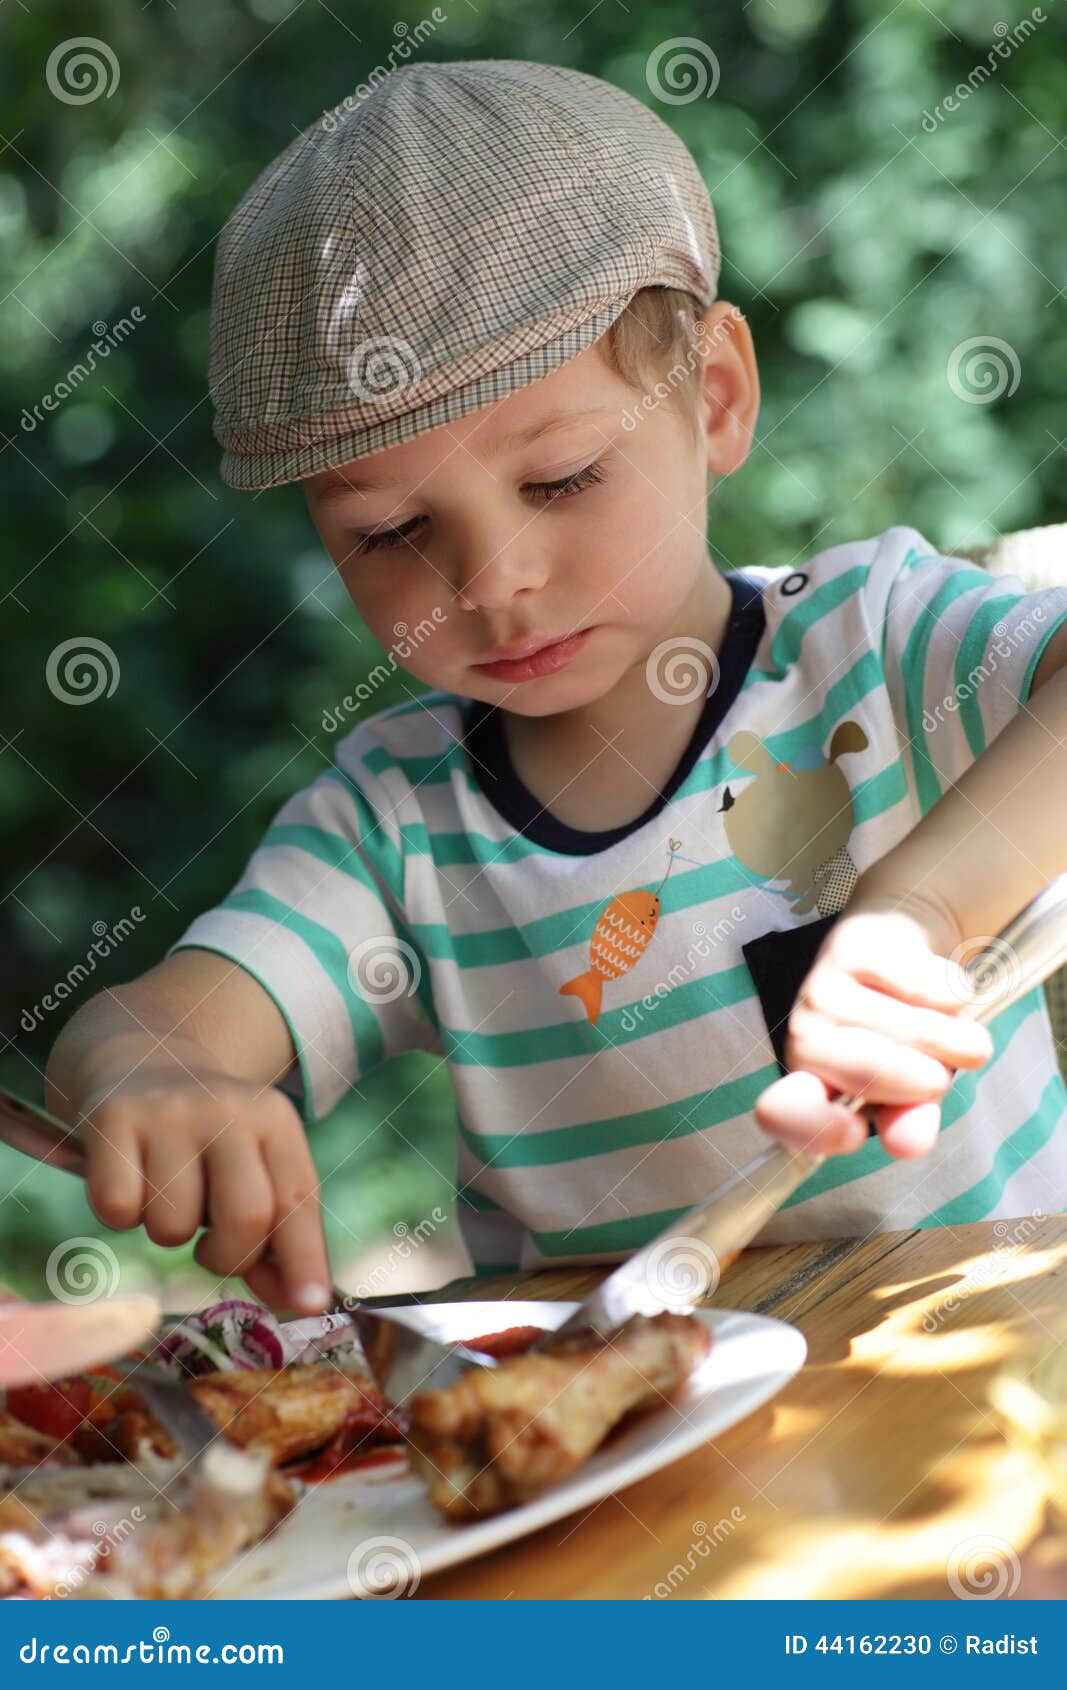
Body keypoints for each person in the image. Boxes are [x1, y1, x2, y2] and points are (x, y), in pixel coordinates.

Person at [44, 61, 1067, 1315]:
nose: (491, 581)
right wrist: (149, 1075)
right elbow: (157, 1023)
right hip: (605, 1418)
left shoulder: (875, 645)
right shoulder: (396, 825)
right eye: (390, 532)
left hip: (984, 1375)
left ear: (714, 397)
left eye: (562, 478)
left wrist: (920, 908)